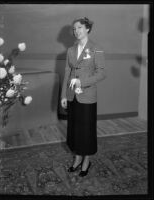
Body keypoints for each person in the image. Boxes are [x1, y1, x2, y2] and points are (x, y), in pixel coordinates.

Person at [61, 17, 106, 177]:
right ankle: (78, 158)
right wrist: (64, 95)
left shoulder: (96, 48)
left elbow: (101, 73)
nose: (76, 31)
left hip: (87, 97)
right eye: (74, 29)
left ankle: (87, 160)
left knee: (86, 130)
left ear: (87, 28)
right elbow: (67, 72)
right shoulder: (70, 50)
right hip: (72, 97)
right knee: (74, 129)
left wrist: (82, 82)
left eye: (79, 27)